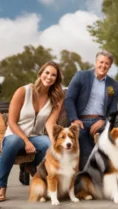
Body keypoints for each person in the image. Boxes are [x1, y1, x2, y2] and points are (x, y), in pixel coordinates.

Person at [0, 61, 64, 202]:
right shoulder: (23, 91)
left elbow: (50, 123)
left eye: (53, 75)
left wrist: (54, 143)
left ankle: (32, 166)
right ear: (40, 73)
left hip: (36, 136)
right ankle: (1, 186)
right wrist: (26, 141)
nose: (49, 77)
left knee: (47, 145)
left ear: (56, 79)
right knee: (14, 141)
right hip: (14, 135)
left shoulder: (56, 98)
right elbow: (12, 121)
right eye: (47, 73)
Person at [64, 50, 118, 171]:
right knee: (85, 150)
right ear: (96, 62)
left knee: (115, 137)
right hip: (80, 121)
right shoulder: (81, 76)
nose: (103, 66)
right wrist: (74, 119)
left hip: (100, 121)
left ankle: (112, 174)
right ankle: (85, 179)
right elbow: (69, 99)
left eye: (107, 64)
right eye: (101, 62)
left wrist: (104, 121)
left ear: (110, 66)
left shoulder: (114, 85)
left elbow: (113, 109)